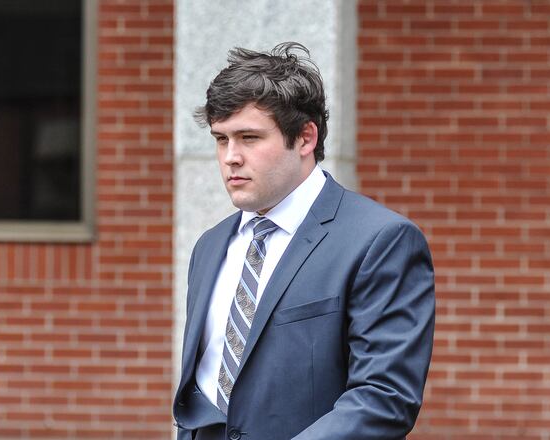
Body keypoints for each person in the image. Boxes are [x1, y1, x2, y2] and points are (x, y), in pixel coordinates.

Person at [173, 42, 436, 440]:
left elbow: (384, 397)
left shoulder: (381, 241)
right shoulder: (210, 247)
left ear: (305, 138)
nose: (231, 157)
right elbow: (202, 394)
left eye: (249, 137)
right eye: (221, 139)